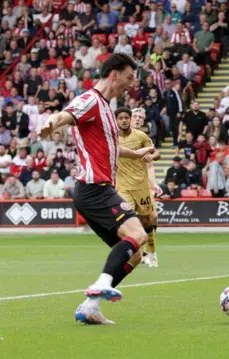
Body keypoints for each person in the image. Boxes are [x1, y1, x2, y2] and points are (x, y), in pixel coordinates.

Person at [37, 53, 155, 325]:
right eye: (128, 78)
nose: (130, 84)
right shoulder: (91, 100)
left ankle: (89, 307)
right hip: (94, 188)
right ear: (114, 74)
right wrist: (50, 123)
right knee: (138, 234)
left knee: (135, 253)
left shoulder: (106, 108)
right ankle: (102, 284)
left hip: (97, 190)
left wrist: (137, 155)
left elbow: (110, 148)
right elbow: (66, 114)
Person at [115, 107, 162, 268]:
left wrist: (152, 156)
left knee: (147, 219)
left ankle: (152, 251)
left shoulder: (141, 136)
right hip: (123, 187)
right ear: (116, 120)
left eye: (126, 117)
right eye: (120, 118)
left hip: (141, 186)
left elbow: (157, 153)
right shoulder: (112, 138)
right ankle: (135, 253)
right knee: (127, 220)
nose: (124, 120)